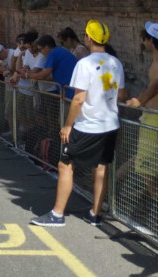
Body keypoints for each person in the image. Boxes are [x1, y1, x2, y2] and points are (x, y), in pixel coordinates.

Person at [31, 20, 125, 227]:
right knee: (101, 167)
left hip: (87, 125)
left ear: (88, 38)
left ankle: (57, 214)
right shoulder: (116, 63)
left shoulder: (85, 64)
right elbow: (121, 93)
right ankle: (95, 213)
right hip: (109, 123)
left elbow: (79, 98)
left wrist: (67, 125)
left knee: (65, 165)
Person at [122, 22, 158, 202]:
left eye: (144, 39)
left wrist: (139, 101)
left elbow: (157, 86)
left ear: (151, 41)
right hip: (152, 118)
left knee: (148, 170)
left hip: (157, 120)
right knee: (149, 168)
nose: (142, 42)